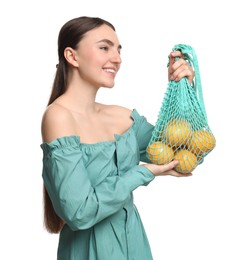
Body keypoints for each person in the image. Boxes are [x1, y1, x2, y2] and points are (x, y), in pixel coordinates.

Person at [40, 16, 195, 260]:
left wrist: (182, 88)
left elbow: (185, 152)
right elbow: (80, 212)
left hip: (134, 245)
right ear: (72, 56)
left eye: (118, 50)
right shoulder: (58, 117)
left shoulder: (123, 117)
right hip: (87, 251)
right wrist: (144, 172)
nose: (117, 58)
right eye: (104, 48)